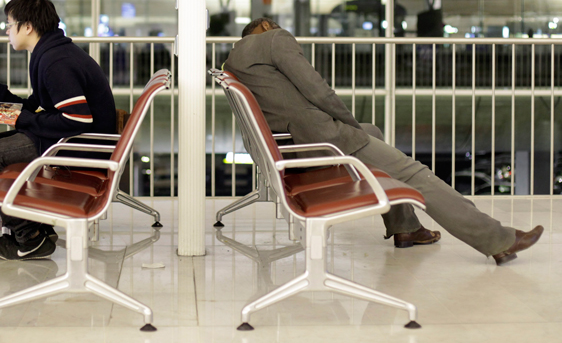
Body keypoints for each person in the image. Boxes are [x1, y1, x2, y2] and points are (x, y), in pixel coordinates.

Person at [225, 18, 543, 265]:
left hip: (292, 144)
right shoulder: (273, 39)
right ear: (264, 27)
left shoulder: (235, 60)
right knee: (416, 174)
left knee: (371, 131)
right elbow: (316, 89)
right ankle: (497, 240)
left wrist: (356, 131)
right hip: (320, 140)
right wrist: (346, 123)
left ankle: (405, 226)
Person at [0, 0, 116, 261]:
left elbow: (77, 120)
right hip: (75, 140)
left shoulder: (56, 62)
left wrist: (22, 121)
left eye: (9, 24)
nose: (7, 31)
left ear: (27, 26)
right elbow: (33, 107)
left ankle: (29, 236)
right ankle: (38, 227)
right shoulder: (50, 52)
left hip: (81, 145)